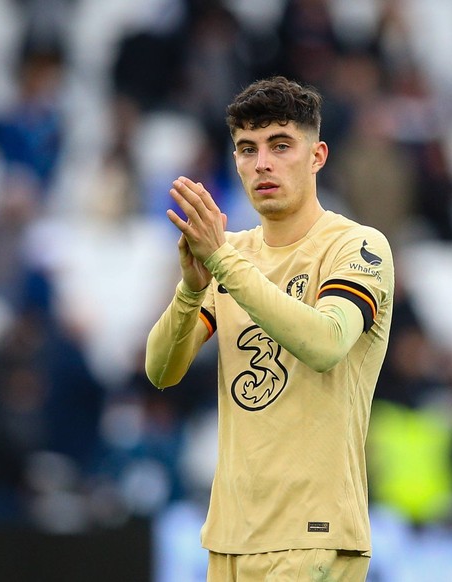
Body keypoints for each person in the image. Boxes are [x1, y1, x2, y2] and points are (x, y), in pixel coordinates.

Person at [145, 76, 395, 581]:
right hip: (231, 536)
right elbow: (160, 372)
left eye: (281, 145)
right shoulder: (232, 255)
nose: (262, 163)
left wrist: (221, 262)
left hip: (313, 533)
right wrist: (192, 288)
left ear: (317, 155)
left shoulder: (356, 248)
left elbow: (326, 343)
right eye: (247, 149)